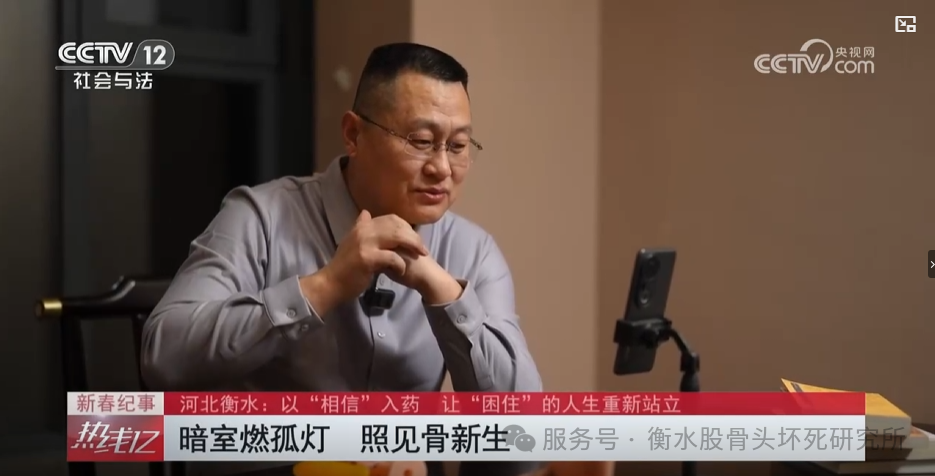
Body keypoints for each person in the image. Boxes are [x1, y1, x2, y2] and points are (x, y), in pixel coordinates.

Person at [142, 43, 542, 475]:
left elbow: (524, 431)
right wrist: (325, 287)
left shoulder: (473, 251)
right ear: (354, 134)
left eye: (458, 145)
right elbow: (164, 357)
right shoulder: (261, 217)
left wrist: (444, 293)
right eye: (422, 142)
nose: (442, 168)